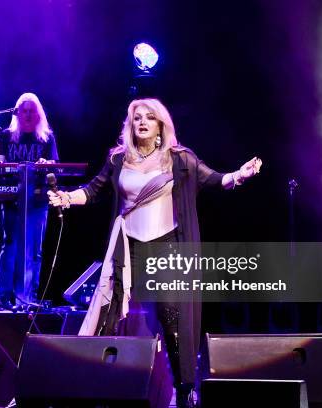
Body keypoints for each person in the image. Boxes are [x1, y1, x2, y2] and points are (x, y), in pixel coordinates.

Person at [48, 98, 261, 407]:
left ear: (161, 125)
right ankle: (93, 387)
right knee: (109, 315)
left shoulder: (179, 158)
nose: (142, 122)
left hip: (167, 246)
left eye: (150, 117)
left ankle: (185, 388)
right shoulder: (118, 159)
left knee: (171, 316)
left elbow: (214, 179)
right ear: (130, 125)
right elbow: (93, 190)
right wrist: (67, 198)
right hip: (128, 245)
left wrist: (239, 175)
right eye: (137, 118)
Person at [0, 92, 59, 307]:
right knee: (10, 244)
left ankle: (29, 297)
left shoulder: (47, 137)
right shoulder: (6, 135)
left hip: (38, 199)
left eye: (32, 111)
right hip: (12, 197)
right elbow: (0, 158)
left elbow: (55, 164)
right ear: (17, 113)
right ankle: (4, 296)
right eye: (24, 111)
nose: (28, 115)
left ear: (39, 113)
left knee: (35, 248)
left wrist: (46, 162)